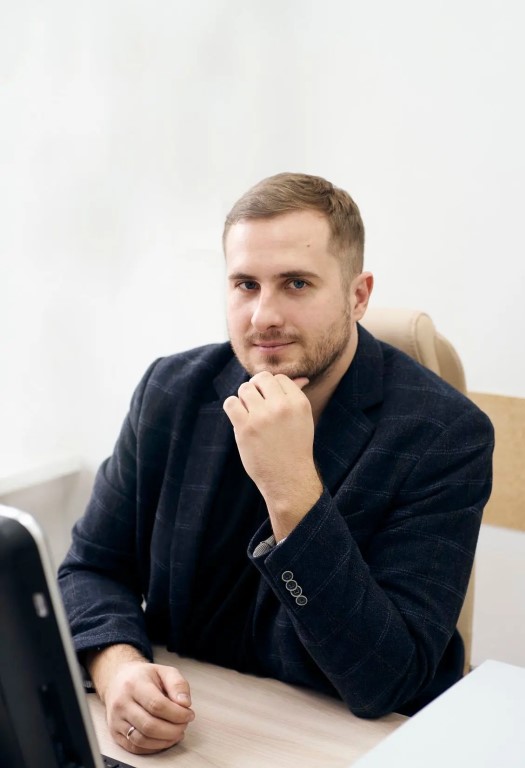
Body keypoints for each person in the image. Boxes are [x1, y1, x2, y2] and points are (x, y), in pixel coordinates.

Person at [58, 172, 494, 756]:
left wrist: (291, 488)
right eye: (246, 284)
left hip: (347, 744)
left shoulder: (444, 435)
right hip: (199, 727)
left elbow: (387, 679)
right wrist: (118, 669)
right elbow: (90, 569)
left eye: (296, 283)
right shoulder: (171, 391)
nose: (263, 315)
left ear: (358, 296)